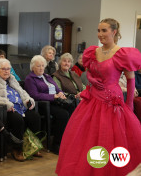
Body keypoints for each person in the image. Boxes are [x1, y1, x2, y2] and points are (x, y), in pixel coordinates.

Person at [56, 18, 141, 176]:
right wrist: (93, 80)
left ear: (114, 32)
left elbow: (131, 81)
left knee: (110, 139)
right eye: (98, 30)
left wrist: (129, 107)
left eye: (104, 31)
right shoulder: (93, 51)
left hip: (112, 101)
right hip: (92, 99)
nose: (100, 34)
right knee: (86, 138)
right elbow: (90, 73)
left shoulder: (122, 54)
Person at [0, 58, 41, 161]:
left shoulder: (12, 79)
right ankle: (16, 149)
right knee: (17, 120)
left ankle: (31, 147)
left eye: (8, 69)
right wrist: (6, 104)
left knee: (35, 117)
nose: (6, 71)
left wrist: (28, 100)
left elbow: (22, 92)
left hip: (20, 107)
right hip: (6, 110)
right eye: (3, 69)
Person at [24, 55, 70, 154]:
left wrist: (61, 93)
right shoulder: (30, 79)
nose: (41, 68)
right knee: (63, 114)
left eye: (42, 66)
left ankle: (67, 141)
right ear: (32, 67)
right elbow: (34, 95)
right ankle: (56, 144)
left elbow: (57, 88)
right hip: (43, 105)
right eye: (38, 66)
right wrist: (53, 96)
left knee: (72, 108)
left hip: (54, 102)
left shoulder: (47, 76)